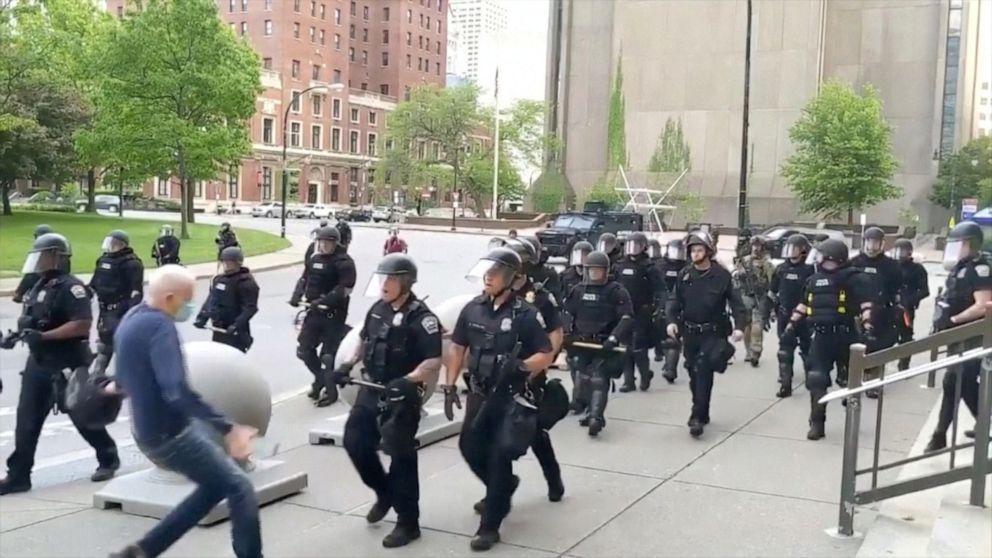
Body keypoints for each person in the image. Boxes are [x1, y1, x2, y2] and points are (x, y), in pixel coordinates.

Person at [109, 265, 260, 558]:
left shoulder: (132, 318)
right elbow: (176, 389)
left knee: (216, 485)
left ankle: (143, 551)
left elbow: (124, 377)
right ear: (168, 298)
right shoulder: (160, 327)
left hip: (148, 430)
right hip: (171, 433)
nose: (190, 306)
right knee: (240, 486)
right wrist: (228, 428)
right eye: (186, 299)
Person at [440, 247, 555, 551]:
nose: (488, 277)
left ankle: (490, 526)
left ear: (511, 278)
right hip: (478, 392)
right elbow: (457, 347)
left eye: (495, 272)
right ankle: (502, 488)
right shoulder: (473, 308)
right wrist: (450, 386)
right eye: (486, 271)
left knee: (499, 455)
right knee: (469, 446)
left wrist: (523, 366)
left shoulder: (525, 315)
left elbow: (546, 353)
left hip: (508, 396)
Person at [329, 254, 442, 548]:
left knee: (400, 455)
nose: (384, 284)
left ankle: (408, 522)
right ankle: (384, 492)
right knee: (354, 442)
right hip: (370, 390)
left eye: (390, 279)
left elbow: (433, 360)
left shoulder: (422, 317)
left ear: (405, 282)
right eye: (382, 278)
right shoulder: (377, 308)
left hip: (401, 398)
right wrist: (347, 364)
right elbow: (364, 339)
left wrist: (409, 380)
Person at [0, 233, 119, 495]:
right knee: (27, 420)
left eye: (43, 256)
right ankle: (19, 476)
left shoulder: (71, 288)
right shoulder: (36, 285)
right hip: (39, 362)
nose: (38, 262)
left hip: (69, 364)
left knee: (82, 415)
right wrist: (17, 337)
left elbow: (81, 324)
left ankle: (108, 457)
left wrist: (45, 336)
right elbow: (32, 322)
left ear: (56, 257)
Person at [782, 239, 874, 440]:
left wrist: (868, 326)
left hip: (846, 335)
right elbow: (804, 305)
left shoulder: (854, 278)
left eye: (822, 255)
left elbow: (866, 304)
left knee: (850, 381)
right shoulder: (814, 280)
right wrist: (791, 324)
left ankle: (852, 416)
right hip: (822, 337)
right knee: (816, 379)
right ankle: (817, 423)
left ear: (833, 258)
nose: (818, 258)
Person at [665, 231, 747, 438]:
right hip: (690, 332)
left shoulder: (721, 275)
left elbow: (737, 304)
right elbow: (674, 301)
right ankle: (703, 408)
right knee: (694, 372)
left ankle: (696, 416)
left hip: (713, 331)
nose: (695, 254)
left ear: (708, 252)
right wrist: (671, 322)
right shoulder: (684, 275)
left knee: (703, 368)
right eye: (692, 250)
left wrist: (740, 327)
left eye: (700, 250)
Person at [503, 239, 566, 503]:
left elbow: (556, 333)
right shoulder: (497, 292)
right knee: (497, 435)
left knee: (533, 431)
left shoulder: (540, 296)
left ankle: (553, 477)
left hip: (530, 372)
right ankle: (499, 488)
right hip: (500, 372)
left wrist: (541, 363)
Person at [925, 222, 991, 452]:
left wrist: (953, 321)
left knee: (956, 381)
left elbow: (983, 305)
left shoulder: (981, 268)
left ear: (970, 244)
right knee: (961, 383)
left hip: (973, 336)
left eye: (958, 244)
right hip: (958, 337)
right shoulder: (961, 267)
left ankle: (940, 435)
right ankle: (982, 424)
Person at [564, 250, 634, 435]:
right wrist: (566, 334)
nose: (594, 274)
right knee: (582, 378)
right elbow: (567, 313)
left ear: (606, 271)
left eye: (598, 270)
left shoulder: (616, 291)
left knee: (599, 378)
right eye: (591, 270)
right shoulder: (578, 290)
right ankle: (587, 411)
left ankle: (596, 417)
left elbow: (626, 318)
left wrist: (614, 338)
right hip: (582, 343)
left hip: (605, 344)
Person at [289, 226, 357, 406]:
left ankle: (331, 391)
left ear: (335, 243)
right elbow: (305, 278)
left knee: (328, 356)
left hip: (333, 315)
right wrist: (296, 295)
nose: (323, 246)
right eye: (321, 242)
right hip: (314, 312)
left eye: (327, 242)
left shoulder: (344, 262)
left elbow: (345, 288)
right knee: (303, 350)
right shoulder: (314, 258)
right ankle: (321, 379)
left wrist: (324, 300)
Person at [851, 226, 903, 398]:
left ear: (882, 244)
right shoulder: (855, 262)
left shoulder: (891, 266)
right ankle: (859, 378)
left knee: (878, 347)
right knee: (859, 346)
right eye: (868, 241)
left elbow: (898, 290)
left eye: (875, 242)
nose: (871, 246)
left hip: (882, 313)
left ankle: (874, 382)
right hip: (857, 312)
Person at [612, 232, 667, 392]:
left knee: (639, 346)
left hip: (642, 311)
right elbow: (612, 287)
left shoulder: (649, 267)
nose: (633, 248)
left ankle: (644, 375)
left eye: (636, 245)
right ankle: (629, 381)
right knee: (624, 347)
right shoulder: (619, 265)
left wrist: (660, 308)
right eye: (631, 244)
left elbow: (661, 290)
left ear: (644, 247)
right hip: (623, 312)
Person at [89, 230, 144, 375]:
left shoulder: (132, 263)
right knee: (104, 340)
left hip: (121, 308)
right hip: (104, 309)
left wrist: (132, 312)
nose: (110, 247)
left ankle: (128, 375)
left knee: (120, 342)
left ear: (121, 245)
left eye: (114, 244)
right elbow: (94, 283)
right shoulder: (103, 260)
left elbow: (136, 290)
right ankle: (98, 374)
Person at [769, 234, 815, 398]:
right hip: (784, 314)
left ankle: (811, 378)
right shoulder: (781, 268)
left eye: (794, 248)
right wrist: (771, 310)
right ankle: (785, 383)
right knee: (784, 350)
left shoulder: (810, 269)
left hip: (805, 317)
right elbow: (773, 291)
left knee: (807, 349)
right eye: (788, 247)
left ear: (803, 250)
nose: (790, 251)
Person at [194, 247, 259, 353]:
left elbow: (250, 308)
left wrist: (236, 325)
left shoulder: (246, 282)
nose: (227, 266)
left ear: (238, 263)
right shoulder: (219, 280)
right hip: (219, 330)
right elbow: (211, 300)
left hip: (236, 333)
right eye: (225, 262)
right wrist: (202, 317)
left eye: (230, 263)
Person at [734, 236, 776, 367]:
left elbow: (772, 282)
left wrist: (771, 302)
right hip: (746, 295)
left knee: (757, 325)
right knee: (746, 325)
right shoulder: (744, 261)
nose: (756, 248)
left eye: (759, 246)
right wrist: (739, 275)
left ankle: (756, 351)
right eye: (754, 245)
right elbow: (735, 277)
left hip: (761, 296)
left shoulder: (767, 264)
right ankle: (748, 351)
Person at [890, 238, 930, 371]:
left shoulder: (917, 269)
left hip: (906, 309)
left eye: (903, 251)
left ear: (910, 252)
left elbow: (925, 290)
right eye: (897, 251)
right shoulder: (889, 266)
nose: (900, 254)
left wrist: (910, 300)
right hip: (889, 306)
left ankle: (904, 364)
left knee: (906, 336)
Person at [656, 239, 687, 382]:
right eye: (675, 251)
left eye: (680, 251)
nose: (677, 255)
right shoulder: (660, 265)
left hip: (680, 304)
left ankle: (670, 369)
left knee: (673, 338)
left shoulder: (687, 267)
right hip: (661, 304)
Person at [12, 224, 54, 303]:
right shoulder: (58, 245)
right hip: (56, 274)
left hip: (45, 275)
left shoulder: (39, 247)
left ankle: (19, 294)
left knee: (31, 275)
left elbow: (32, 270)